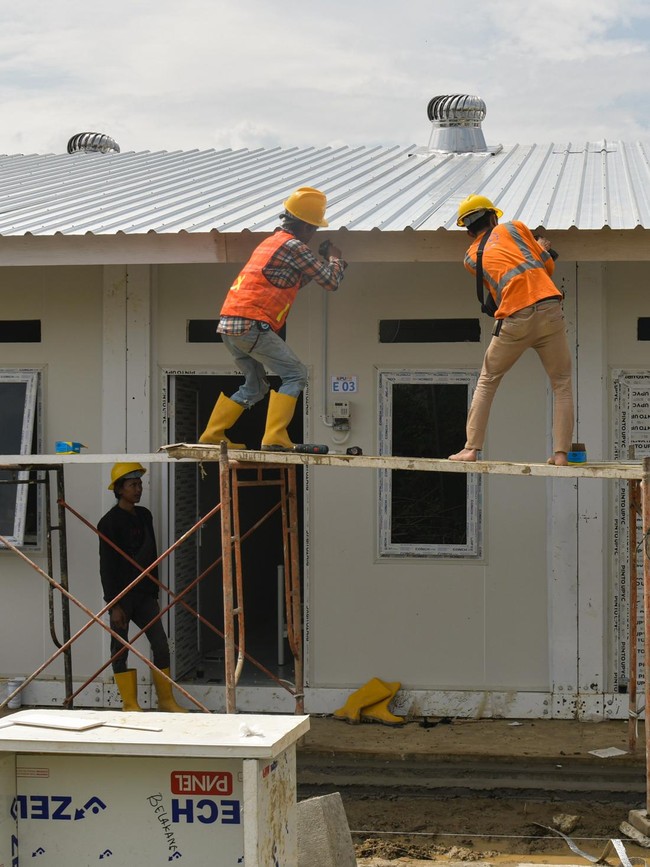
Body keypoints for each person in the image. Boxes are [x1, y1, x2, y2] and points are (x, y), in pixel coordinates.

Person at [199, 186, 347, 451]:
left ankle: (212, 434)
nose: (312, 236)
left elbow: (292, 282)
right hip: (251, 325)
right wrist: (335, 259)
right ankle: (275, 437)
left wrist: (323, 266)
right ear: (305, 226)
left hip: (230, 326)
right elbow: (330, 282)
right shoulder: (294, 246)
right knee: (295, 374)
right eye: (313, 229)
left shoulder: (270, 243)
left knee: (255, 386)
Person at [449, 194, 574, 466]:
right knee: (561, 384)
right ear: (493, 217)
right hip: (549, 308)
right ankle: (561, 454)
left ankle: (471, 449)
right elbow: (547, 268)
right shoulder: (515, 227)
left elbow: (500, 280)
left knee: (488, 380)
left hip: (515, 318)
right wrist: (541, 248)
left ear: (468, 230)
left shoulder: (471, 258)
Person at [98, 462, 187, 712]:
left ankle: (166, 700)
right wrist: (113, 604)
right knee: (120, 649)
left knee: (160, 643)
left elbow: (152, 556)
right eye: (132, 485)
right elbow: (107, 567)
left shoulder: (144, 515)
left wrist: (153, 592)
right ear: (119, 489)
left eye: (139, 484)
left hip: (144, 594)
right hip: (122, 596)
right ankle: (130, 704)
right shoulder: (109, 523)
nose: (138, 489)